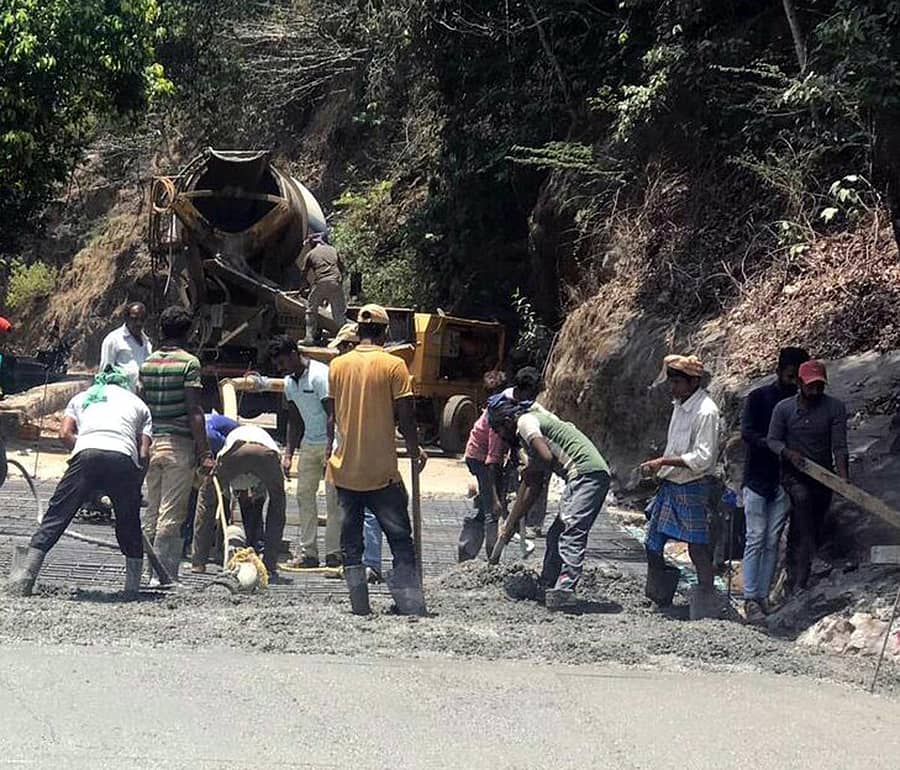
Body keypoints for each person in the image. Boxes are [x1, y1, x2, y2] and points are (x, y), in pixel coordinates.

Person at [7, 367, 151, 597]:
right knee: (129, 522)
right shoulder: (138, 404)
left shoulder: (82, 397)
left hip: (85, 454)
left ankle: (24, 579)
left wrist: (87, 458)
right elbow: (144, 453)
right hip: (123, 458)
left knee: (57, 515)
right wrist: (134, 488)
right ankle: (131, 589)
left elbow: (64, 434)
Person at [326, 304, 427, 615]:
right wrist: (414, 448)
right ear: (385, 332)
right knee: (399, 538)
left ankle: (359, 606)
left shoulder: (337, 366)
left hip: (345, 471)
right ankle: (409, 603)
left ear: (358, 332)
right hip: (382, 472)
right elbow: (406, 416)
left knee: (351, 544)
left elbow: (332, 414)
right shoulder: (394, 366)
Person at [488, 392, 611, 610]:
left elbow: (545, 459)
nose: (501, 437)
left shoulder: (526, 422)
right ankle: (548, 583)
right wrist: (511, 523)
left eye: (499, 431)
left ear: (507, 422)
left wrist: (530, 468)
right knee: (557, 532)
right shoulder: (533, 428)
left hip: (587, 474)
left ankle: (565, 589)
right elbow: (533, 487)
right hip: (583, 476)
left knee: (572, 531)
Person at [641, 354, 721, 618]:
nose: (672, 387)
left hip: (693, 484)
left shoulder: (706, 411)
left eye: (677, 382)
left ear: (693, 382)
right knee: (652, 542)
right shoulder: (680, 404)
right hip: (671, 483)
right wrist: (661, 469)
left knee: (697, 546)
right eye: (672, 381)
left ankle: (706, 602)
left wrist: (663, 461)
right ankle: (660, 597)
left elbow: (702, 458)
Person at [140, 306, 212, 582]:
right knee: (172, 513)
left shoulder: (148, 363)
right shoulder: (189, 364)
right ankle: (164, 575)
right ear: (190, 331)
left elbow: (142, 403)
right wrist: (205, 451)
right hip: (177, 446)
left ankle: (146, 572)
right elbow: (194, 411)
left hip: (152, 444)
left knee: (152, 511)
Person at [767, 359, 849, 593]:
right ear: (800, 383)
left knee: (813, 519)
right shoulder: (783, 409)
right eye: (811, 386)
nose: (815, 391)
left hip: (822, 475)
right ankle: (800, 578)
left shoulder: (834, 407)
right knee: (802, 505)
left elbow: (840, 446)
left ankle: (796, 570)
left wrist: (842, 479)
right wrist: (788, 453)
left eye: (820, 387)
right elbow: (772, 440)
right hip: (794, 474)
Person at [740, 347, 809, 624]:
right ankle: (750, 597)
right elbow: (747, 432)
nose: (794, 382)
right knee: (756, 537)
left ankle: (763, 596)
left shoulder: (802, 402)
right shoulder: (759, 397)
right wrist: (775, 447)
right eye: (791, 375)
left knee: (771, 540)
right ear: (779, 371)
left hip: (784, 480)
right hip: (758, 476)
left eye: (798, 377)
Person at [269, 335, 342, 568]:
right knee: (304, 497)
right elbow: (293, 420)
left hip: (332, 444)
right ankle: (309, 553)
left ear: (293, 354)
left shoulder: (320, 375)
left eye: (282, 363)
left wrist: (330, 448)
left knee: (333, 500)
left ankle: (334, 553)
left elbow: (332, 414)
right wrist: (289, 454)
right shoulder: (290, 382)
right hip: (309, 444)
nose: (281, 369)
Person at [329, 322, 385, 583]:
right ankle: (355, 564)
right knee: (352, 512)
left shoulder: (353, 369)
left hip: (366, 453)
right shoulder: (341, 370)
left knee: (367, 510)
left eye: (342, 346)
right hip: (348, 452)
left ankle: (368, 564)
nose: (339, 351)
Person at [213, 423, 286, 580]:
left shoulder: (230, 437)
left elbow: (225, 495)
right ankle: (270, 564)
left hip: (235, 452)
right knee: (277, 505)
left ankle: (199, 561)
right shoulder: (263, 440)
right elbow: (262, 493)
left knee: (209, 500)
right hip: (265, 453)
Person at [458, 370, 509, 562]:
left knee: (484, 507)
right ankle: (492, 559)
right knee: (491, 511)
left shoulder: (492, 408)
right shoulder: (495, 417)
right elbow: (492, 460)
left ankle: (466, 550)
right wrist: (496, 498)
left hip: (477, 456)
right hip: (481, 460)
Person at [191, 413, 239, 572]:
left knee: (210, 497)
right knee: (201, 494)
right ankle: (206, 552)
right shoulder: (195, 432)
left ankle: (213, 554)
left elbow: (225, 451)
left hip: (231, 451)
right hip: (223, 449)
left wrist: (212, 474)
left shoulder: (209, 435)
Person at [300, 233, 347, 345]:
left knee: (311, 310)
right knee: (339, 314)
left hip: (321, 282)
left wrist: (303, 288)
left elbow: (303, 273)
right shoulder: (332, 249)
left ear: (313, 243)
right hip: (335, 281)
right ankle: (347, 338)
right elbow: (342, 268)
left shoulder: (310, 254)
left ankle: (309, 338)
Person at [99, 302, 153, 392]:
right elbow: (105, 373)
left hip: (144, 399)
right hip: (122, 399)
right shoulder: (113, 339)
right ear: (126, 318)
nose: (138, 323)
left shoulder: (147, 342)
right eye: (134, 319)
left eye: (142, 319)